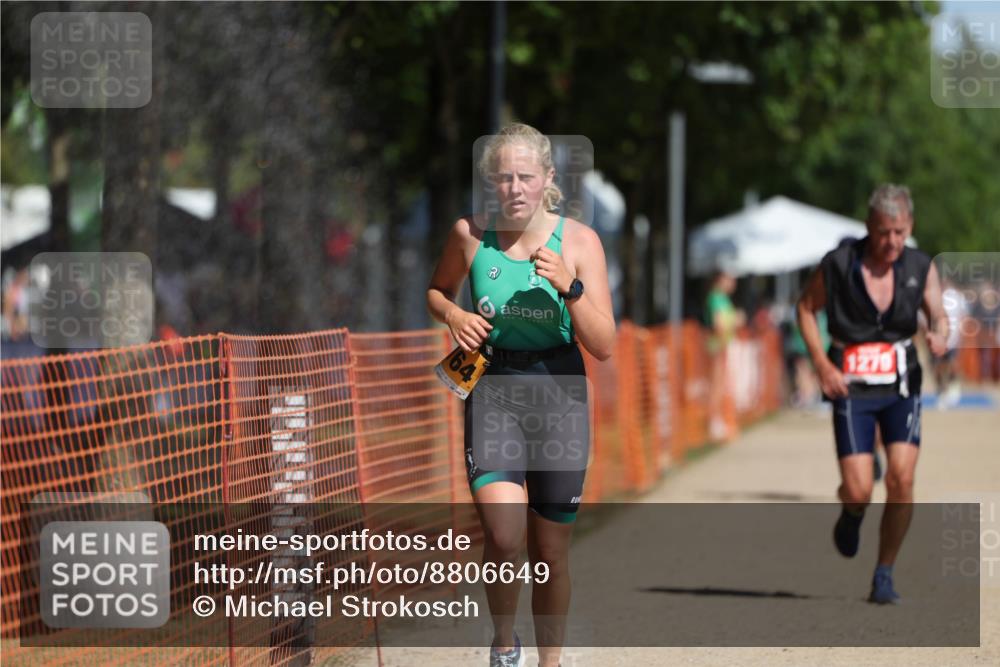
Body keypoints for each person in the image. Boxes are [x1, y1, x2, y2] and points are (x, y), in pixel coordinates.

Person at [426, 123, 615, 667]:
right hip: (494, 391)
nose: (513, 187)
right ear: (490, 180)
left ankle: (549, 662)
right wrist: (455, 314)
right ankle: (505, 644)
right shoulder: (470, 234)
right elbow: (436, 292)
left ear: (547, 179)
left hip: (561, 396)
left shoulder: (579, 243)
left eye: (525, 176)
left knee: (551, 550)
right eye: (503, 177)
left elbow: (604, 345)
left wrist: (570, 288)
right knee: (506, 539)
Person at [797, 184, 948, 604]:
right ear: (869, 227)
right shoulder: (839, 264)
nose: (892, 242)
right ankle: (852, 511)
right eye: (884, 233)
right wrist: (823, 365)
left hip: (901, 386)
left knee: (901, 478)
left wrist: (939, 333)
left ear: (910, 227)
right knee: (860, 488)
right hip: (852, 387)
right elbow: (805, 310)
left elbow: (938, 313)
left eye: (900, 232)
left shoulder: (920, 265)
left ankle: (884, 573)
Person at [704, 271, 744, 441]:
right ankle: (714, 422)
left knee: (721, 385)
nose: (733, 282)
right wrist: (735, 320)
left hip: (722, 346)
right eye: (729, 278)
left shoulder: (722, 298)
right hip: (717, 346)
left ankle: (719, 419)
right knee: (716, 385)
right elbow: (718, 324)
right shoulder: (716, 298)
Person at [933, 278, 969, 408]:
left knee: (953, 364)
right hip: (937, 338)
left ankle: (953, 388)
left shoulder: (957, 297)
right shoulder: (934, 297)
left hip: (953, 338)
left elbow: (963, 316)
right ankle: (941, 389)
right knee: (938, 366)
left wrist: (961, 334)